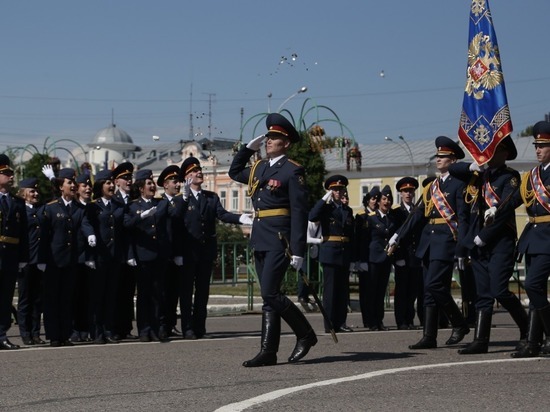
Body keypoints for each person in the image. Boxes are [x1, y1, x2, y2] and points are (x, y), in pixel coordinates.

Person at [229, 112, 316, 367]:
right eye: (268, 137)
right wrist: (247, 149)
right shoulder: (259, 168)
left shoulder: (293, 170)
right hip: (260, 236)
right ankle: (268, 351)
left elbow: (300, 212)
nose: (269, 141)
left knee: (270, 292)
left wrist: (298, 250)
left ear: (286, 143)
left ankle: (306, 334)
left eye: (275, 138)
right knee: (269, 296)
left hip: (280, 239)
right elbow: (234, 172)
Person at [447, 136, 528, 355]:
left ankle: (527, 328)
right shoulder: (480, 175)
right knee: (483, 293)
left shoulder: (510, 177)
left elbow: (503, 212)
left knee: (499, 290)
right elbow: (453, 169)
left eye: (495, 151)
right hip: (479, 243)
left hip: (500, 241)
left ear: (505, 154)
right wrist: (474, 165)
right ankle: (481, 339)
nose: (490, 155)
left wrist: (483, 235)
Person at [389, 136, 470, 349]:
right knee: (428, 290)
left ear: (453, 160)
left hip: (446, 240)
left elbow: (462, 217)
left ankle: (459, 323)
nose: (438, 159)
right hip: (429, 243)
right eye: (438, 156)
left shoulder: (459, 183)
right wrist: (397, 236)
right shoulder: (432, 187)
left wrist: (462, 246)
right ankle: (429, 336)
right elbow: (416, 215)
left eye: (443, 156)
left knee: (435, 284)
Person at [180, 157, 250, 339]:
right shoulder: (183, 199)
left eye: (199, 170)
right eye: (194, 171)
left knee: (203, 291)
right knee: (187, 292)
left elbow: (222, 214)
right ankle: (187, 327)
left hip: (205, 251)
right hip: (188, 252)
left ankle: (199, 327)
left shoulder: (211, 197)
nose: (199, 173)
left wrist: (241, 218)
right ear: (187, 177)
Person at [41, 168, 95, 347]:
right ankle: (54, 335)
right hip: (54, 260)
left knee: (66, 298)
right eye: (69, 183)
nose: (73, 185)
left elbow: (84, 223)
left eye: (73, 182)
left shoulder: (79, 208)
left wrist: (90, 234)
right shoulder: (51, 207)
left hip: (71, 260)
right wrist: (41, 259)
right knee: (52, 298)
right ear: (60, 186)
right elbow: (44, 235)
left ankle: (65, 334)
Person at [509, 121, 550, 357]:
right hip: (533, 237)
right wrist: (496, 208)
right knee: (535, 292)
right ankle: (534, 342)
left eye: (543, 145)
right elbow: (516, 199)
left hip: (548, 236)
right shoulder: (532, 175)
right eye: (536, 145)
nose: (538, 150)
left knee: (533, 284)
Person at [124, 169, 173, 342]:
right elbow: (127, 227)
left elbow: (172, 216)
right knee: (144, 294)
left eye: (152, 183)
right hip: (142, 255)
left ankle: (158, 327)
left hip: (159, 254)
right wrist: (141, 217)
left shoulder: (161, 203)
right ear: (140, 188)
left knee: (158, 293)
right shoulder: (133, 206)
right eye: (149, 183)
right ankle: (144, 329)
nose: (152, 186)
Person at [309, 175, 355, 333]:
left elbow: (351, 234)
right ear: (330, 191)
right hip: (330, 251)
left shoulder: (348, 210)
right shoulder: (326, 209)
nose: (338, 191)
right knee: (330, 291)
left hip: (344, 252)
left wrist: (354, 258)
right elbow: (312, 216)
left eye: (340, 189)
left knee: (343, 290)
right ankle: (329, 324)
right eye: (335, 189)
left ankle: (341, 322)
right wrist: (324, 199)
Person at [86, 169, 126, 344]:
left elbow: (125, 224)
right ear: (100, 186)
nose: (111, 186)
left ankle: (109, 329)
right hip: (99, 256)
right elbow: (86, 223)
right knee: (97, 295)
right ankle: (96, 330)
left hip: (114, 256)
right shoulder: (93, 206)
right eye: (108, 183)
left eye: (112, 183)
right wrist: (90, 237)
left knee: (111, 295)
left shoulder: (118, 205)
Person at [359, 185, 398, 331]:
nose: (386, 202)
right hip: (372, 259)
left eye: (389, 199)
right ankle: (371, 321)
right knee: (371, 291)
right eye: (384, 199)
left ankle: (379, 320)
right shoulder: (370, 218)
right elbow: (364, 241)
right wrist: (362, 261)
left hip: (386, 258)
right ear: (379, 202)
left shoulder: (391, 219)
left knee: (381, 291)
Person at [0, 155, 29, 350]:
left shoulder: (17, 202)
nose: (11, 176)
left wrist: (23, 258)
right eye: (7, 173)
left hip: (10, 257)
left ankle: (1, 334)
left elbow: (24, 233)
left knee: (5, 297)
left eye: (11, 173)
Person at [16, 178, 47, 346]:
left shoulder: (41, 210)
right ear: (23, 193)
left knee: (37, 300)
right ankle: (25, 333)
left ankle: (35, 333)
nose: (36, 194)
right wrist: (20, 259)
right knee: (25, 300)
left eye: (36, 191)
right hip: (25, 261)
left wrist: (43, 259)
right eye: (32, 191)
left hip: (39, 261)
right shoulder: (20, 211)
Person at [157, 165, 185, 337]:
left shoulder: (182, 202)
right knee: (162, 291)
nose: (178, 185)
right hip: (162, 253)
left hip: (177, 253)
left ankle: (171, 323)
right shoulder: (160, 203)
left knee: (174, 291)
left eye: (178, 181)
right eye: (174, 182)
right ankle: (161, 324)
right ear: (165, 185)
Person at [392, 177, 423, 330]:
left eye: (410, 191)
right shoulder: (397, 213)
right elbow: (394, 235)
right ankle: (401, 320)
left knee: (413, 291)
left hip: (415, 256)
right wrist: (397, 257)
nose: (408, 194)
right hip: (403, 257)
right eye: (405, 191)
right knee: (402, 291)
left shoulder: (418, 211)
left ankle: (410, 319)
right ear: (401, 193)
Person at [112, 162, 138, 340]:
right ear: (116, 181)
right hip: (117, 253)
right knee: (115, 292)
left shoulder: (135, 198)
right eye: (125, 178)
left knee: (128, 293)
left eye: (130, 178)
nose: (129, 181)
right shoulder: (113, 200)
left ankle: (126, 328)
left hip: (134, 253)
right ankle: (114, 328)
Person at [71, 173, 94, 342]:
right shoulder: (73, 206)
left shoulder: (93, 207)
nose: (88, 188)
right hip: (75, 257)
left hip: (92, 257)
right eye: (83, 186)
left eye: (89, 186)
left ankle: (85, 329)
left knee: (88, 295)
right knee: (74, 296)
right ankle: (74, 329)